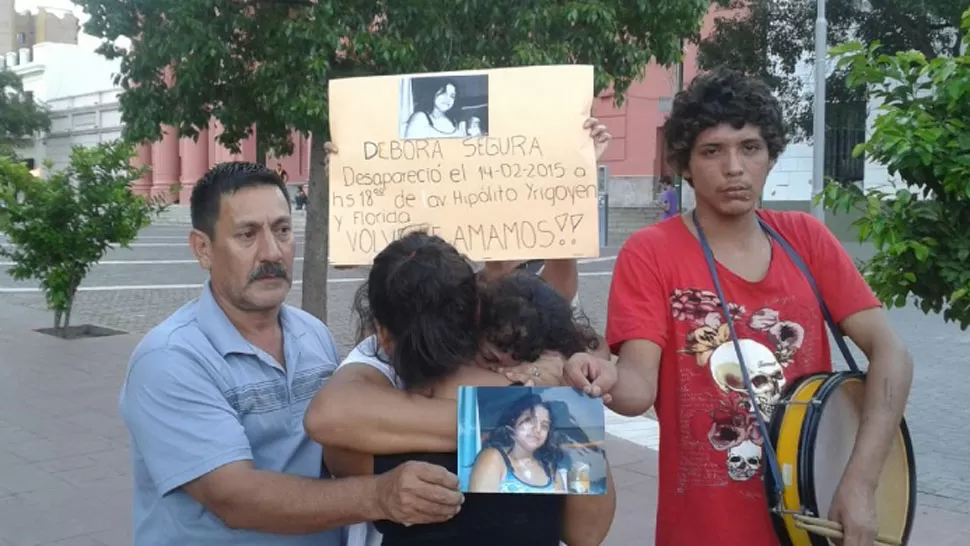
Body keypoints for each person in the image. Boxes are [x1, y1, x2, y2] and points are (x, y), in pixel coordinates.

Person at [566, 67, 914, 546]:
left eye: (750, 148)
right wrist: (599, 374)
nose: (734, 167)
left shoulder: (806, 239)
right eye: (712, 151)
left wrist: (861, 482)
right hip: (701, 530)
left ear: (770, 156)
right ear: (685, 165)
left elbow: (892, 353)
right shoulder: (651, 252)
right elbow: (636, 391)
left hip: (813, 521)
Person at [117, 162, 463, 546]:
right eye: (247, 235)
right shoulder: (170, 360)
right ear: (203, 248)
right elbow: (235, 497)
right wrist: (380, 495)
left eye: (282, 230)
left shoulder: (312, 334)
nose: (271, 252)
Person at [306, 116, 612, 460]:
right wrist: (512, 414)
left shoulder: (365, 421)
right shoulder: (539, 404)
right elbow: (326, 418)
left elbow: (327, 424)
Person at [323, 230, 614, 546]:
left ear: (383, 335)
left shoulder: (357, 436)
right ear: (476, 310)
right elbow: (587, 533)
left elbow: (327, 432)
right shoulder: (550, 409)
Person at [467, 393, 567, 494]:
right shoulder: (493, 458)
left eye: (544, 426)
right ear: (513, 422)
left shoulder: (550, 469)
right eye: (530, 420)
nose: (537, 429)